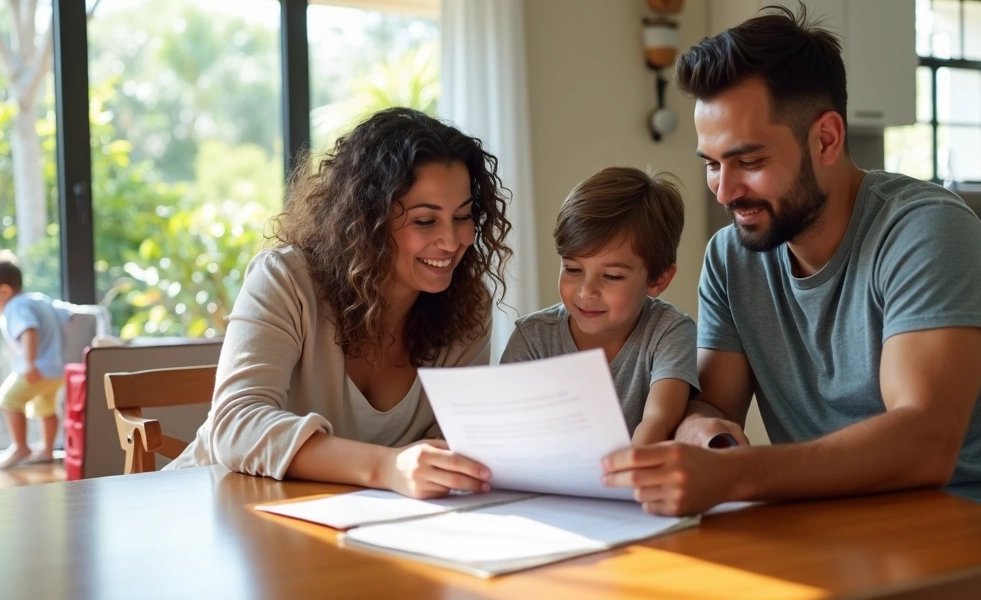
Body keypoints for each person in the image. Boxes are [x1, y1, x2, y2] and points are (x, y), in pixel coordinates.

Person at [600, 5, 981, 524]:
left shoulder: (927, 231)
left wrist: (736, 475)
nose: (725, 191)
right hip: (834, 525)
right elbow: (715, 408)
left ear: (826, 139)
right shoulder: (732, 257)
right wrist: (705, 434)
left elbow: (924, 442)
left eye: (749, 162)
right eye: (712, 164)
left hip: (977, 528)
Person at [167, 108, 511, 499]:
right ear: (368, 220)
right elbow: (236, 427)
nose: (451, 241)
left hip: (355, 524)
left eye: (463, 216)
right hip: (213, 508)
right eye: (424, 221)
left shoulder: (467, 305)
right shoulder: (285, 280)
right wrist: (388, 467)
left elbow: (452, 443)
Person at [501, 167, 696, 446]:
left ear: (658, 279)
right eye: (572, 268)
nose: (585, 291)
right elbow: (505, 430)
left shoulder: (669, 332)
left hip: (632, 482)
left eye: (612, 276)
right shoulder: (532, 338)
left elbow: (659, 419)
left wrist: (627, 474)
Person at [0, 250, 69, 469]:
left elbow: (29, 330)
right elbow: (65, 316)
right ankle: (47, 449)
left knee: (7, 401)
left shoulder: (16, 306)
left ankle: (21, 446)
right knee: (46, 408)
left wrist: (30, 362)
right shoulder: (38, 300)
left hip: (37, 368)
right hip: (55, 370)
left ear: (4, 291)